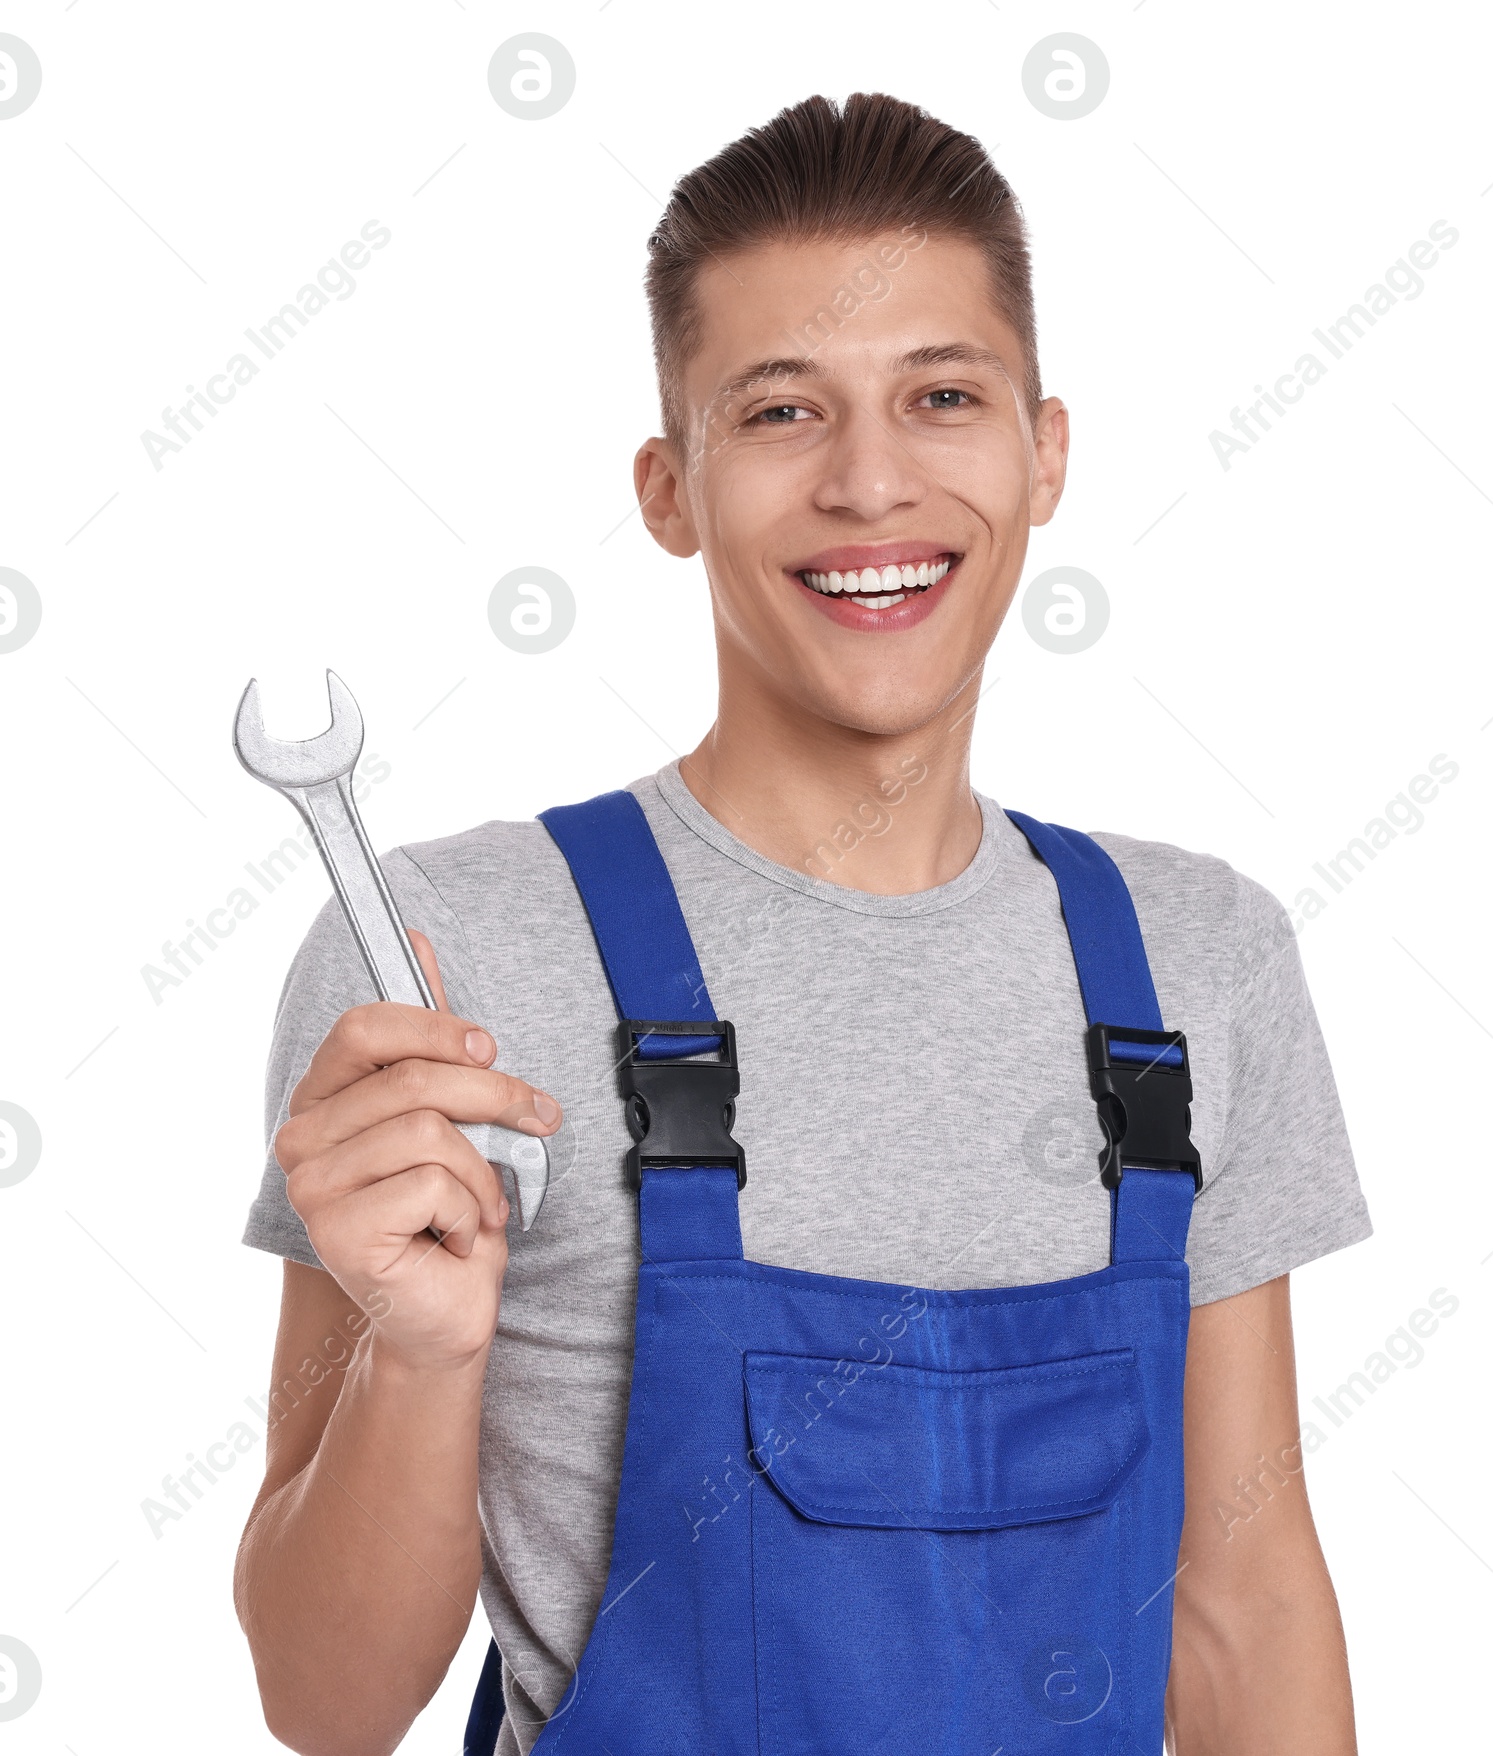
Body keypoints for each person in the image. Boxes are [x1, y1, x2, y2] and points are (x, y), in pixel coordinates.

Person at [234, 92, 1372, 1756]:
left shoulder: (1200, 963)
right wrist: (420, 1361)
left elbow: (1242, 1596)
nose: (869, 483)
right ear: (668, 486)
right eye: (779, 411)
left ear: (1043, 454)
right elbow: (320, 1704)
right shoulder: (433, 964)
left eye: (943, 398)